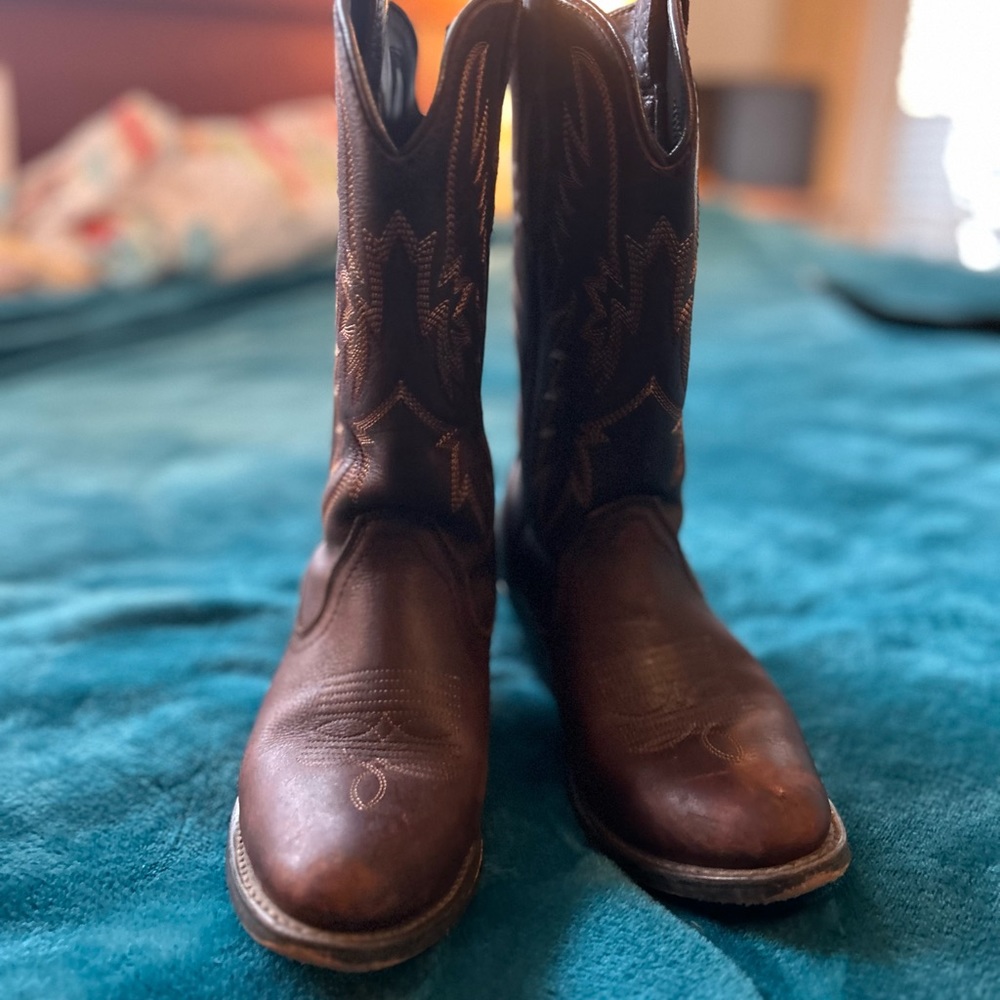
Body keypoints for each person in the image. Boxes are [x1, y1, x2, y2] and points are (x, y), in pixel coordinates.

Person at [225, 0, 850, 971]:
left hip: (605, 510)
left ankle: (584, 531)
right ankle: (411, 545)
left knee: (613, 440)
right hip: (391, 552)